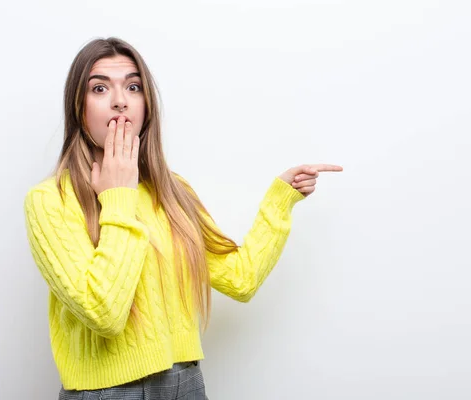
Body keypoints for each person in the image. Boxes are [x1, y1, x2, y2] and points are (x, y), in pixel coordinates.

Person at [23, 37, 342, 400]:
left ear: (147, 107)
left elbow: (241, 279)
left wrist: (280, 201)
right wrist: (118, 196)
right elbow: (104, 314)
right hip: (106, 393)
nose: (120, 100)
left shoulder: (174, 192)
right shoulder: (49, 201)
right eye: (99, 88)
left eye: (133, 86)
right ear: (78, 108)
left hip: (186, 385)